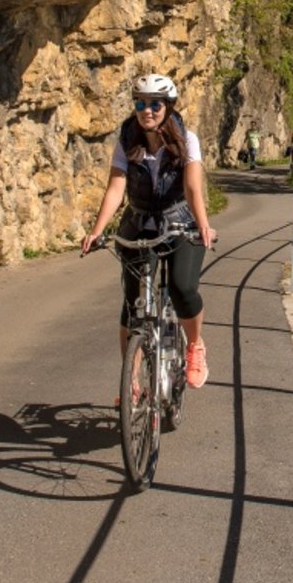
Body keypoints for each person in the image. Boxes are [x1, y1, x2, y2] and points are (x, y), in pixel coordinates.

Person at [80, 73, 219, 390]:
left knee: (183, 288)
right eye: (140, 103)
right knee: (133, 303)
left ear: (168, 106)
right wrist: (96, 231)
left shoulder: (187, 139)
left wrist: (203, 225)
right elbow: (116, 188)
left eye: (154, 104)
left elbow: (192, 187)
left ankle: (195, 346)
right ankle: (131, 382)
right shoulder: (128, 139)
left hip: (179, 219)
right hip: (140, 221)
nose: (147, 110)